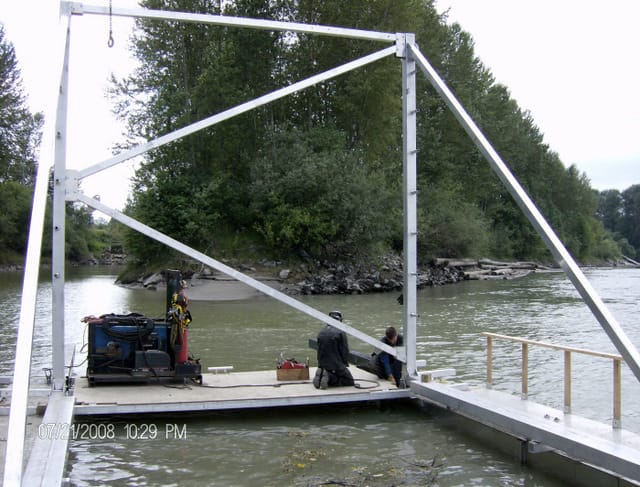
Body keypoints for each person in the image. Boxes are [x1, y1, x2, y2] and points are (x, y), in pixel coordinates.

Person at [313, 310, 354, 389]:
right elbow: (344, 351)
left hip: (322, 364)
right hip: (335, 364)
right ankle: (330, 377)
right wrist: (344, 365)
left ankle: (321, 374)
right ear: (340, 320)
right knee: (349, 381)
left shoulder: (321, 332)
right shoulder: (340, 332)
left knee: (328, 370)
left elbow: (319, 350)